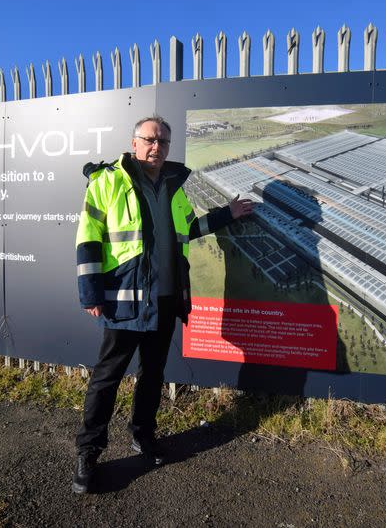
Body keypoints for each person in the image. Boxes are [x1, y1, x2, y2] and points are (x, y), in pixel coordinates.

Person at [72, 116, 253, 493]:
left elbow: (191, 228)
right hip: (125, 301)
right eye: (150, 140)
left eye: (164, 142)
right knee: (107, 378)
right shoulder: (107, 182)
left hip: (166, 300)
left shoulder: (174, 186)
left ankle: (144, 435)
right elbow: (88, 238)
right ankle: (88, 454)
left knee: (153, 373)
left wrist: (226, 214)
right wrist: (91, 292)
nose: (157, 147)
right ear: (134, 142)